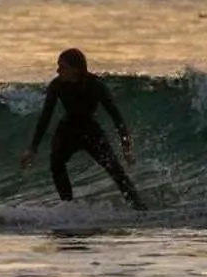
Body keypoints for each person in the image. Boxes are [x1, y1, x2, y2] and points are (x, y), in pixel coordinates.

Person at [20, 48, 145, 209]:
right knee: (56, 165)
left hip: (90, 131)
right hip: (67, 131)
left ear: (76, 69)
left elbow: (117, 118)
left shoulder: (95, 86)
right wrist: (32, 149)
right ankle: (68, 207)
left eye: (62, 67)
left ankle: (139, 208)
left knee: (116, 171)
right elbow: (45, 118)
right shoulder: (57, 85)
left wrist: (126, 147)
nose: (58, 70)